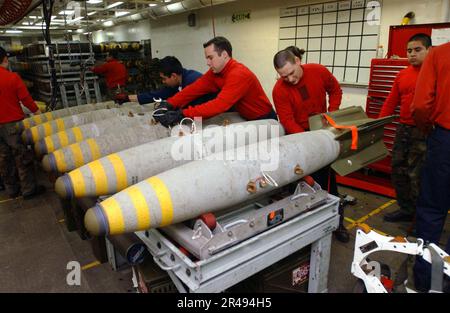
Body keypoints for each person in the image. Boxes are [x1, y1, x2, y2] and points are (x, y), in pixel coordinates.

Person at [272, 46, 349, 243]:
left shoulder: (318, 71)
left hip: (323, 132)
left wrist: (332, 114)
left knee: (328, 183)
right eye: (283, 76)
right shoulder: (279, 90)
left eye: (291, 73)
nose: (289, 79)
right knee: (301, 184)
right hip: (300, 138)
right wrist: (308, 142)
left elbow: (335, 90)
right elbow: (288, 121)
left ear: (298, 61)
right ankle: (304, 230)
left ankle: (337, 222)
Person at [154, 36, 276, 127]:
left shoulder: (238, 74)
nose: (207, 63)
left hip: (264, 119)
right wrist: (170, 103)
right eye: (207, 58)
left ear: (224, 55)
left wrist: (182, 114)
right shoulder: (215, 72)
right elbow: (194, 89)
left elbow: (218, 105)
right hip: (246, 117)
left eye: (210, 58)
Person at [379, 34, 431, 224]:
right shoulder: (402, 74)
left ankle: (421, 219)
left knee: (418, 176)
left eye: (418, 50)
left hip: (425, 131)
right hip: (404, 130)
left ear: (429, 50)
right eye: (409, 51)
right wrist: (377, 127)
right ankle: (407, 209)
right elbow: (391, 101)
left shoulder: (435, 73)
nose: (412, 54)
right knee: (398, 170)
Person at [411, 41, 450, 293]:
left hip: (445, 139)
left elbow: (422, 105)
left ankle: (425, 279)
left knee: (432, 209)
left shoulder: (440, 53)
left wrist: (428, 130)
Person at [0, 47, 46, 199]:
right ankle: (28, 189)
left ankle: (12, 189)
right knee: (21, 156)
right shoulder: (12, 78)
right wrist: (38, 114)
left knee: (4, 158)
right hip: (13, 124)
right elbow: (26, 99)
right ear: (5, 59)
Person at [128, 56, 215, 106]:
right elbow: (158, 94)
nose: (163, 82)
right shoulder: (178, 82)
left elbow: (195, 110)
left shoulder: (192, 81)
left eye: (164, 79)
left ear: (173, 76)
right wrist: (128, 98)